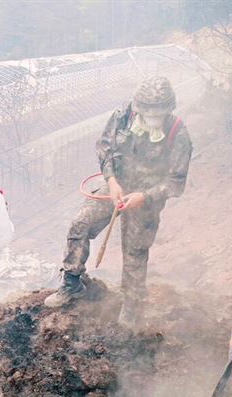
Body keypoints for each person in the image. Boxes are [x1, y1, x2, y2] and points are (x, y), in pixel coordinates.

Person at [44, 76, 193, 325]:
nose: (152, 116)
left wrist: (145, 196)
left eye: (158, 111)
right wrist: (111, 180)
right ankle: (72, 283)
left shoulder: (178, 134)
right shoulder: (123, 116)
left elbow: (176, 182)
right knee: (80, 224)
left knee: (135, 252)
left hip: (146, 198)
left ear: (169, 109)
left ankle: (132, 308)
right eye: (147, 111)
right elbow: (105, 148)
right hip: (117, 186)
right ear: (138, 107)